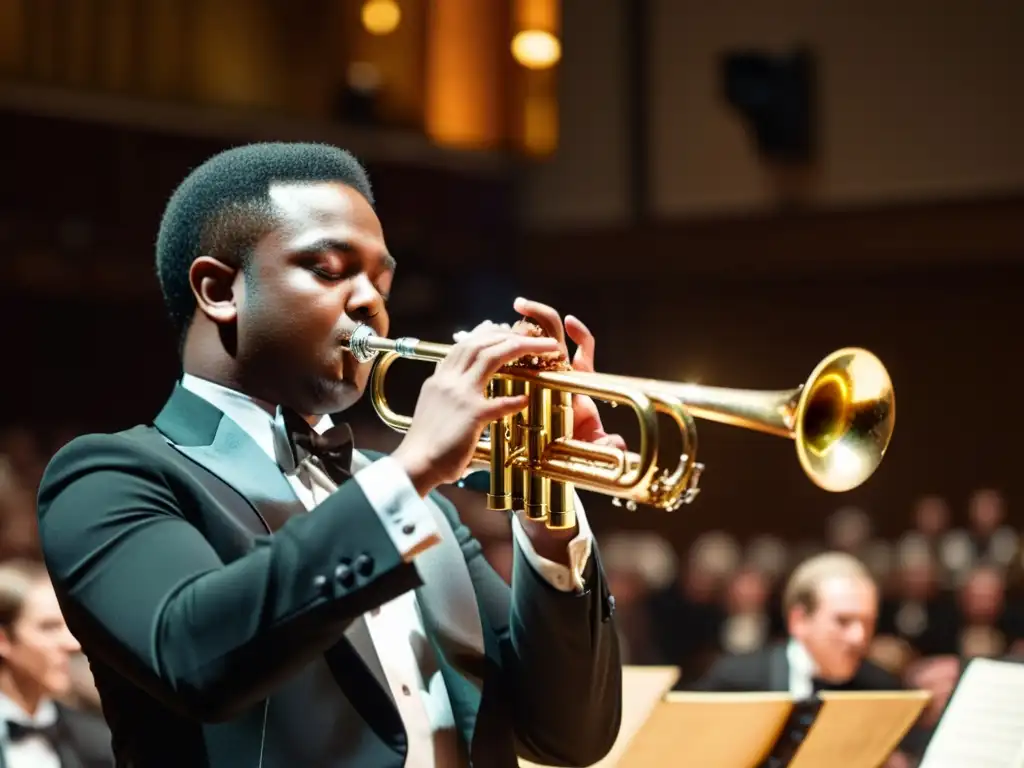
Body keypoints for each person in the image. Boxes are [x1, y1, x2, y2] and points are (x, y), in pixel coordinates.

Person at [36, 143, 622, 767]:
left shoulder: (426, 513)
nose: (371, 300)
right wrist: (413, 468)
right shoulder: (109, 476)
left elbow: (567, 736)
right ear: (219, 289)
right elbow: (195, 657)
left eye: (382, 280)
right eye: (329, 268)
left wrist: (546, 511)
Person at [689, 552, 921, 767]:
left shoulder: (882, 690)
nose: (859, 637)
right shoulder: (734, 679)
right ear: (798, 620)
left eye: (868, 622)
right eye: (843, 621)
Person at [0, 559, 113, 768]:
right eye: (49, 627)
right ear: (3, 640)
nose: (73, 645)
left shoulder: (99, 743)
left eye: (68, 627)